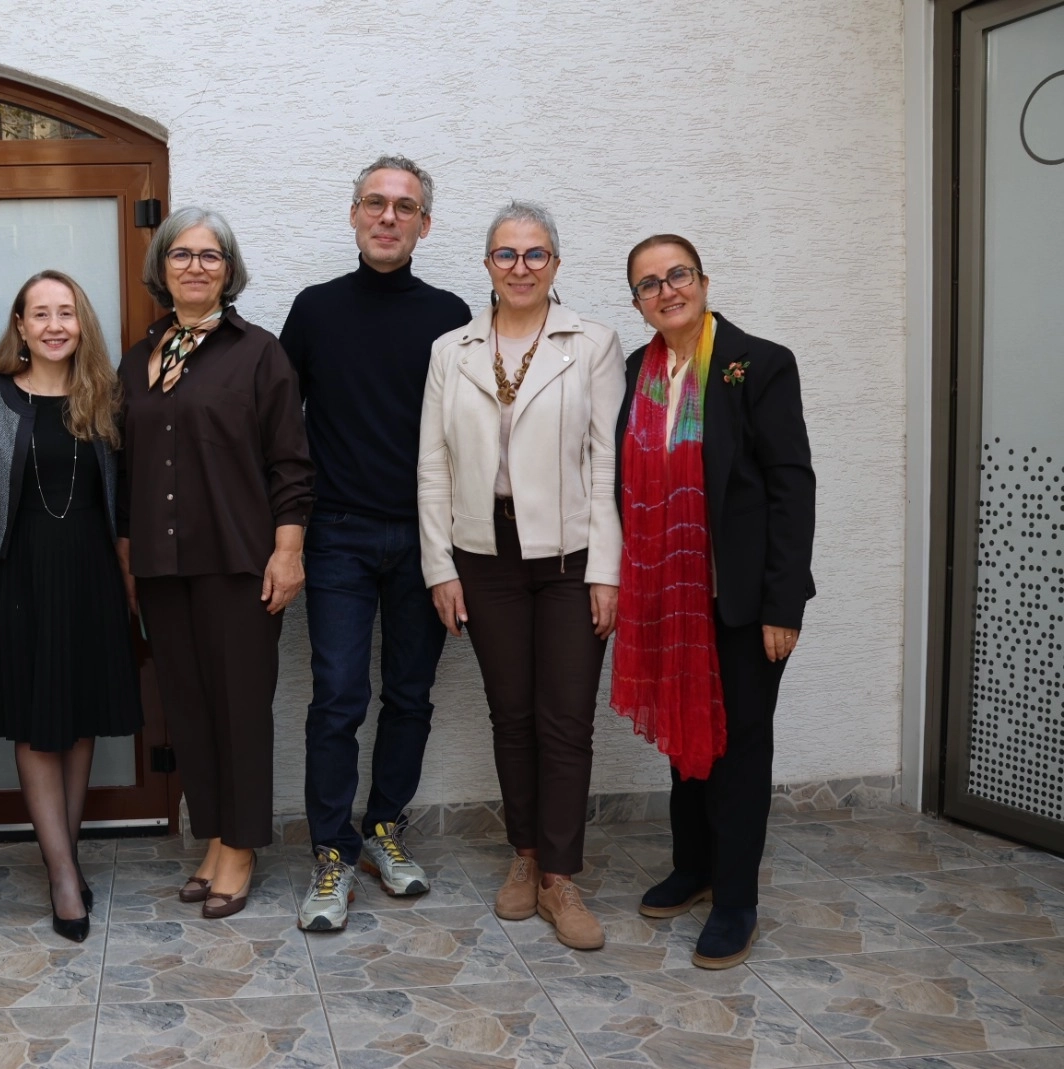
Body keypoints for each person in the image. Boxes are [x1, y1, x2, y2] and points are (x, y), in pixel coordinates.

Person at [418, 201, 624, 951]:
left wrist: (607, 569)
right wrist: (440, 566)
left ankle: (561, 877)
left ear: (556, 264)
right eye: (506, 254)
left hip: (570, 557)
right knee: (512, 714)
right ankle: (526, 854)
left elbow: (606, 464)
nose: (521, 267)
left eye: (536, 254)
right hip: (484, 554)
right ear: (487, 265)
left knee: (565, 717)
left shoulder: (593, 343)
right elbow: (432, 467)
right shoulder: (452, 350)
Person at [612, 234, 815, 969]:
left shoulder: (757, 363)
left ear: (702, 280)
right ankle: (693, 866)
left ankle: (735, 899)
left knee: (738, 747)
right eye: (649, 284)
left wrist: (783, 603)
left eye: (678, 275)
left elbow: (791, 485)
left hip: (743, 601)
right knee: (683, 735)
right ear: (637, 304)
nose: (666, 290)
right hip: (668, 595)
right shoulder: (638, 373)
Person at [279, 155, 471, 932]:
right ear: (354, 214)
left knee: (411, 694)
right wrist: (284, 533)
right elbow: (279, 428)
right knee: (337, 696)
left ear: (425, 224)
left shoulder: (451, 316)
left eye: (405, 206)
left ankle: (384, 827)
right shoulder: (315, 310)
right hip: (337, 538)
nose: (388, 216)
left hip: (427, 539)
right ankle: (332, 849)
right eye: (375, 202)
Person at [116, 206, 314, 920]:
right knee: (189, 710)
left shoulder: (259, 353)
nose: (195, 266)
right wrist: (129, 558)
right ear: (161, 267)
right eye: (181, 254)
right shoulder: (138, 359)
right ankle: (214, 837)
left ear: (228, 271)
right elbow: (127, 468)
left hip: (239, 562)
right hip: (163, 566)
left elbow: (291, 463)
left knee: (239, 708)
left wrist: (287, 551)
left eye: (210, 255)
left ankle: (242, 845)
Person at [0, 270, 142, 943]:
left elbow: (124, 493)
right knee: (37, 724)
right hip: (19, 572)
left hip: (91, 571)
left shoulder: (105, 394)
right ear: (20, 324)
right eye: (39, 313)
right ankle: (64, 874)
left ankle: (62, 855)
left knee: (79, 718)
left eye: (65, 312)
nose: (53, 326)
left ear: (81, 323)